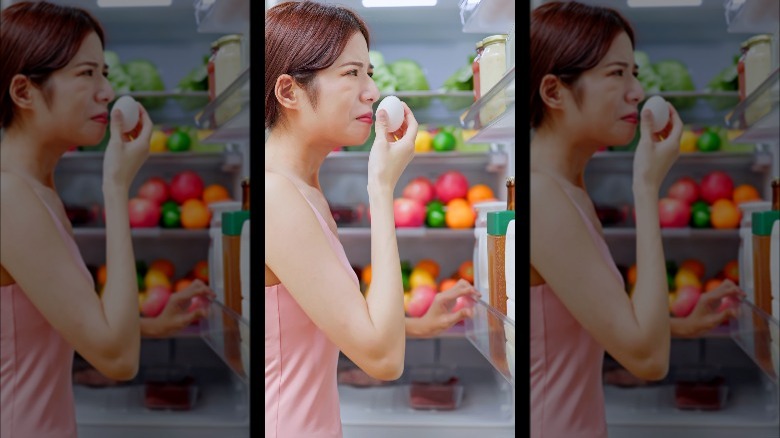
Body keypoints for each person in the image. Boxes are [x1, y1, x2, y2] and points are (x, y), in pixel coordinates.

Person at [529, 2, 744, 437]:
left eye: (635, 74)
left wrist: (675, 323)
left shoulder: (567, 188)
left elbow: (585, 323)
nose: (637, 92)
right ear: (554, 93)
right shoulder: (541, 195)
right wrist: (646, 187)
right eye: (616, 74)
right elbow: (649, 361)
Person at [265, 2, 479, 436]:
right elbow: (383, 361)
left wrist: (410, 325)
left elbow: (312, 323)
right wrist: (381, 188)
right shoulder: (277, 195)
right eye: (351, 73)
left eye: (369, 73)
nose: (371, 92)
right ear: (288, 92)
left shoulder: (302, 188)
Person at [0, 2, 210, 436]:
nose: (106, 92)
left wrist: (146, 324)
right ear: (24, 92)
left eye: (105, 74)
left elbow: (52, 324)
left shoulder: (36, 191)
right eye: (86, 74)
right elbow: (118, 360)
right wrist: (116, 186)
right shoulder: (9, 197)